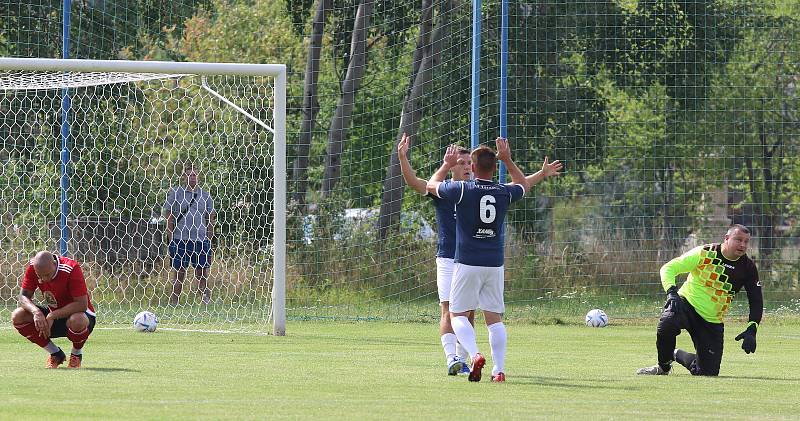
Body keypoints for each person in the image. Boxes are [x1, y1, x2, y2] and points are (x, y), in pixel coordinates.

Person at [427, 138, 562, 382]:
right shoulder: (503, 192)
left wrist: (447, 165)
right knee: (494, 319)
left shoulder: (463, 189)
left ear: (474, 169)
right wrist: (507, 159)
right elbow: (522, 184)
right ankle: (498, 370)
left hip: (467, 262)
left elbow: (432, 185)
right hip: (494, 264)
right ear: (493, 168)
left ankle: (475, 354)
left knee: (457, 315)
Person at [637, 224, 763, 376]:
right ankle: (663, 366)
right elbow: (668, 268)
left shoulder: (748, 268)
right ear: (727, 239)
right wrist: (671, 292)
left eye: (746, 241)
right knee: (667, 322)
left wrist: (752, 328)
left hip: (712, 320)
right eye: (738, 240)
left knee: (707, 374)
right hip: (686, 304)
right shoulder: (705, 253)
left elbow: (756, 300)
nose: (742, 245)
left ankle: (675, 353)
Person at [398, 133, 475, 375]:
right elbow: (414, 182)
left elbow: (518, 186)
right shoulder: (443, 190)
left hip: (473, 260)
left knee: (470, 311)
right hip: (447, 259)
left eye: (469, 163)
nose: (466, 167)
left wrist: (541, 174)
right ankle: (451, 358)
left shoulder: (478, 190)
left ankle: (464, 359)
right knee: (449, 308)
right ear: (452, 168)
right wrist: (402, 156)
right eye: (461, 163)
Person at [10, 251, 96, 368]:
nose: (43, 279)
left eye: (47, 275)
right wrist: (36, 312)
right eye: (39, 276)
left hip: (81, 316)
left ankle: (76, 355)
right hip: (55, 315)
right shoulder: (33, 266)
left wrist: (52, 316)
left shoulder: (71, 268)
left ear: (54, 264)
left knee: (77, 319)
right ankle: (56, 354)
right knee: (18, 315)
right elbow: (23, 296)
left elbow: (81, 304)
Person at [164, 164, 216, 305]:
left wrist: (208, 239)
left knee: (201, 273)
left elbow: (210, 218)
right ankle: (174, 301)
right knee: (179, 272)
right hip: (180, 239)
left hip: (200, 240)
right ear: (183, 177)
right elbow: (169, 216)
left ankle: (206, 301)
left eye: (194, 174)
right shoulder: (176, 193)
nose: (192, 177)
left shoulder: (205, 195)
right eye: (189, 174)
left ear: (198, 176)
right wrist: (171, 239)